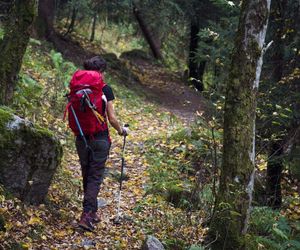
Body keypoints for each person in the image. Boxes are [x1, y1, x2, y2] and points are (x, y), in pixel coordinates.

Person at [74, 56, 128, 231]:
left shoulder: (77, 88)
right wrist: (121, 130)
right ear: (102, 72)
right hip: (100, 138)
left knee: (86, 173)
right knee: (95, 176)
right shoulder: (105, 89)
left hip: (81, 137)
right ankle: (87, 216)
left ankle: (92, 211)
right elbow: (111, 118)